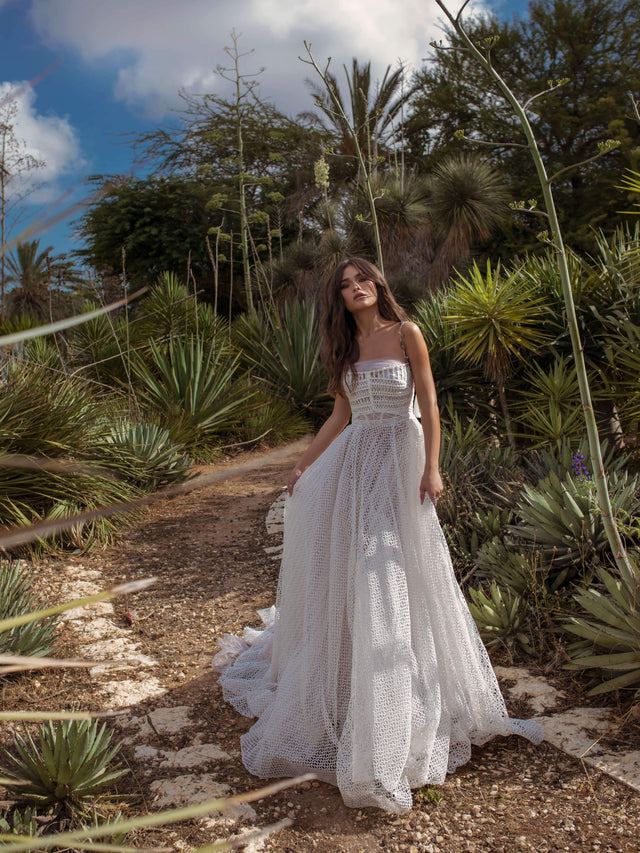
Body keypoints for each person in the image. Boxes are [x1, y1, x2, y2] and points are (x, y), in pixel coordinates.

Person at [213, 257, 543, 813]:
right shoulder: (344, 350)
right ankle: (353, 685)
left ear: (377, 285)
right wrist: (303, 466)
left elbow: (432, 402)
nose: (356, 288)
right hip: (355, 463)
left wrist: (432, 467)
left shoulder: (407, 332)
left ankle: (404, 692)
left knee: (395, 564)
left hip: (400, 458)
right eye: (345, 285)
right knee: (354, 567)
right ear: (339, 300)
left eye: (362, 279)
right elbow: (340, 415)